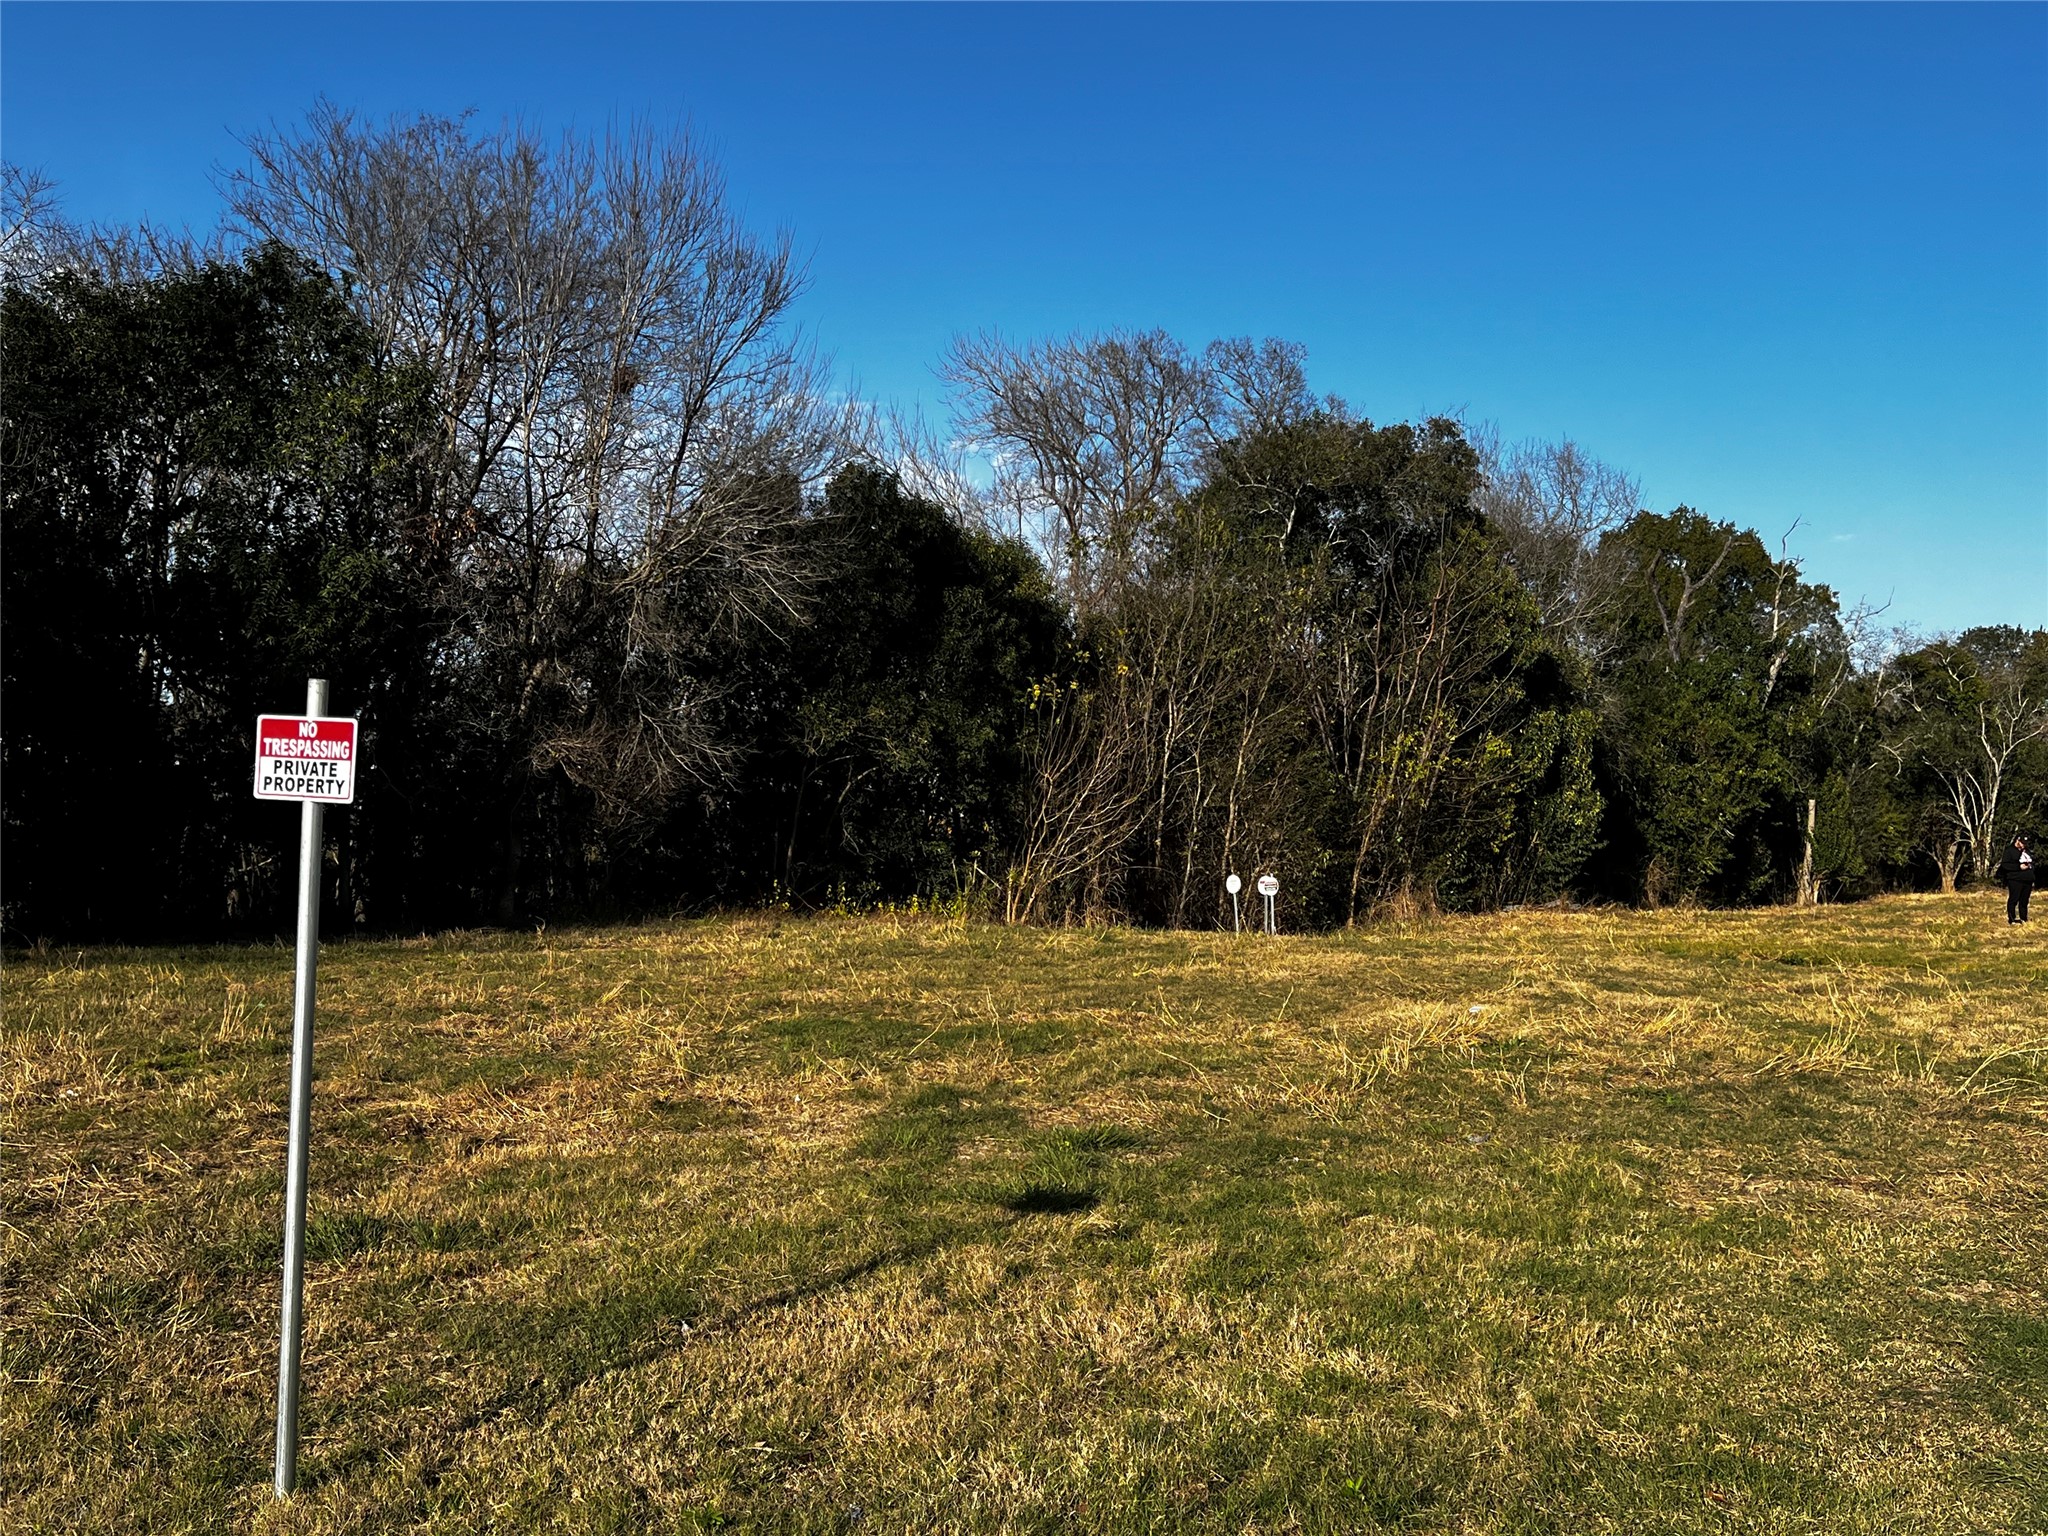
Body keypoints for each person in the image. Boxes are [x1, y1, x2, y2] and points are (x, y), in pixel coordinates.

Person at [1994, 834, 2034, 925]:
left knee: (2024, 901)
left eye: (2025, 843)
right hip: (2015, 879)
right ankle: (2012, 919)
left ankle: (2024, 918)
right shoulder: (2009, 851)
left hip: (2027, 879)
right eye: (2022, 843)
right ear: (2017, 841)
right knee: (2014, 899)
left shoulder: (2027, 851)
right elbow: (2005, 865)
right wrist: (2018, 867)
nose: (2024, 845)